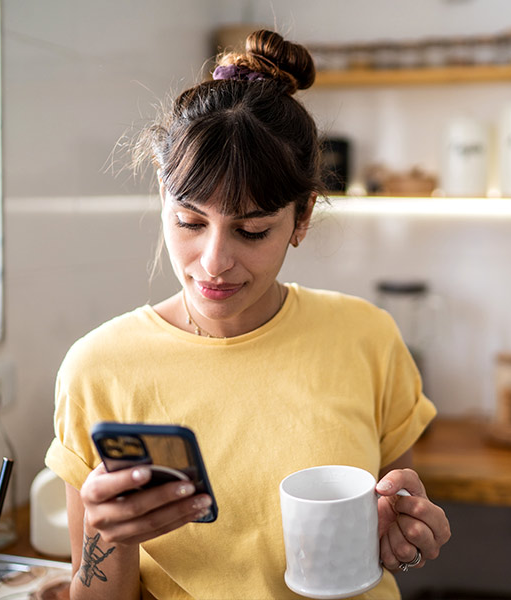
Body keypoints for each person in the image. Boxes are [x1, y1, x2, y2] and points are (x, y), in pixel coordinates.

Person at [45, 29, 450, 600]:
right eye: (189, 222)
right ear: (162, 198)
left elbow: (395, 510)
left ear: (302, 217)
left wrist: (404, 533)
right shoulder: (98, 368)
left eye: (252, 229)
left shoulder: (367, 337)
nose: (213, 262)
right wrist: (112, 538)